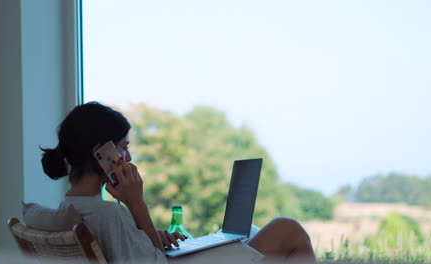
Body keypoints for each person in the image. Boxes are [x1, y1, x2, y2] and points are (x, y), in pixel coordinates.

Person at [41, 102, 316, 263]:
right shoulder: (108, 213)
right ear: (101, 152)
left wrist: (145, 235)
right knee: (288, 229)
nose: (128, 156)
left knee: (251, 230)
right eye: (124, 147)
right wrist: (138, 204)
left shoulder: (74, 205)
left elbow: (135, 253)